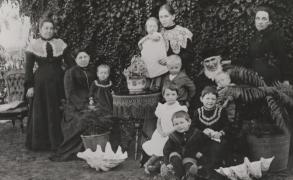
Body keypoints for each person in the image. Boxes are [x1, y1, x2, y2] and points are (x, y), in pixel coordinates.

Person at [25, 17, 74, 151]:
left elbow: (71, 63)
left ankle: (59, 140)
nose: (49, 31)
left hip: (59, 81)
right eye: (46, 28)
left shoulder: (60, 43)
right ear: (40, 29)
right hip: (41, 83)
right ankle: (42, 143)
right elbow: (28, 68)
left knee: (58, 109)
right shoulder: (33, 45)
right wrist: (29, 86)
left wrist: (73, 77)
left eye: (51, 28)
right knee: (42, 111)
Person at [141, 84, 188, 174]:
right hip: (162, 132)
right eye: (168, 95)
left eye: (173, 94)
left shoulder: (180, 108)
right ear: (163, 96)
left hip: (174, 133)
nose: (170, 97)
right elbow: (159, 122)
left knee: (167, 150)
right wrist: (161, 131)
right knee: (157, 149)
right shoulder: (162, 107)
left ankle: (161, 166)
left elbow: (180, 124)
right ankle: (148, 164)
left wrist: (169, 132)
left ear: (177, 95)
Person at [242, 6, 292, 85]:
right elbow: (248, 58)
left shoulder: (275, 37)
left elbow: (283, 57)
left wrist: (287, 79)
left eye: (264, 19)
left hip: (271, 78)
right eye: (257, 18)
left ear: (269, 22)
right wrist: (229, 62)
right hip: (255, 76)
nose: (260, 22)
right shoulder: (253, 38)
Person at [192, 86, 230, 170]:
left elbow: (227, 126)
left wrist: (220, 133)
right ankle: (198, 168)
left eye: (213, 99)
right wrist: (202, 131)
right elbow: (193, 127)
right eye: (207, 98)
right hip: (201, 139)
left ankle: (212, 169)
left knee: (216, 149)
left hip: (216, 139)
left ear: (216, 100)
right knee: (194, 148)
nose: (210, 101)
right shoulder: (197, 112)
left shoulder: (221, 111)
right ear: (201, 99)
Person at [158, 4, 194, 74]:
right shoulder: (158, 34)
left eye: (166, 16)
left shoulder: (183, 32)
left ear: (173, 16)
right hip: (161, 74)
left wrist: (171, 59)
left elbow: (190, 55)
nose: (163, 20)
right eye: (161, 17)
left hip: (180, 73)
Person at [138, 17, 168, 90]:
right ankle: (148, 87)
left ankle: (156, 87)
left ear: (157, 28)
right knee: (148, 75)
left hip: (158, 62)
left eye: (154, 26)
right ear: (146, 28)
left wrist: (149, 37)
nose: (152, 28)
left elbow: (156, 37)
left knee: (158, 75)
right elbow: (140, 45)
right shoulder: (146, 39)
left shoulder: (157, 35)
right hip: (149, 62)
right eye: (150, 26)